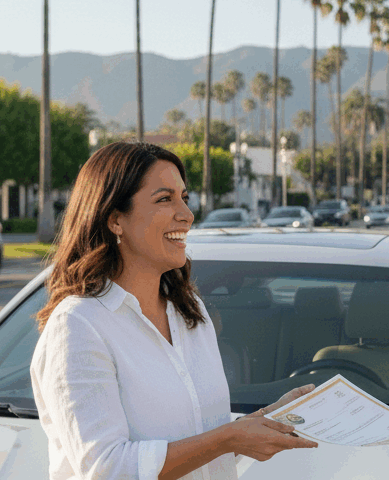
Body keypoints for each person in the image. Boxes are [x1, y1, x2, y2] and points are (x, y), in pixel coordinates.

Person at [30, 141, 317, 480]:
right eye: (165, 199)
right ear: (115, 220)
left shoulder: (189, 313)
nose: (186, 214)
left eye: (185, 197)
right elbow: (106, 469)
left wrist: (262, 422)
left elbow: (200, 443)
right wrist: (228, 438)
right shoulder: (78, 325)